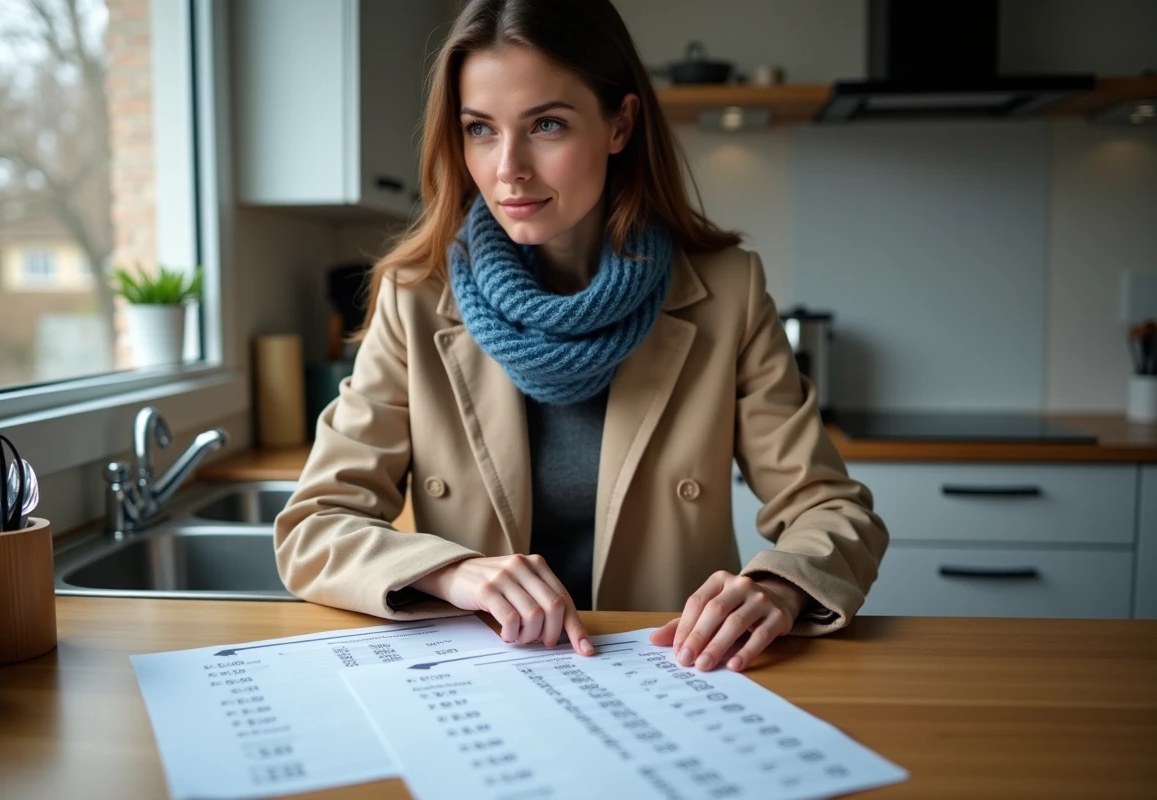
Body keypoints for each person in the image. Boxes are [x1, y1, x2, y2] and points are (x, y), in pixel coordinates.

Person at [274, 0, 889, 674]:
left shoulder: (726, 292)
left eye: (546, 125)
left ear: (620, 124)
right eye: (480, 128)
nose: (509, 167)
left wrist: (779, 587)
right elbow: (315, 526)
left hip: (676, 673)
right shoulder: (416, 298)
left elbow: (832, 509)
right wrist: (454, 574)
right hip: (487, 677)